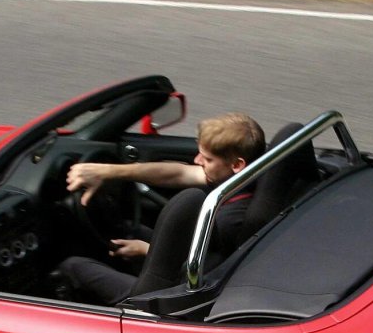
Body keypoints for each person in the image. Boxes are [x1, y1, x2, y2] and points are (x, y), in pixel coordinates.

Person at [58, 112, 265, 305]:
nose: (196, 161)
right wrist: (106, 172)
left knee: (72, 266)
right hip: (190, 263)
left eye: (207, 159)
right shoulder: (238, 182)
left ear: (237, 165)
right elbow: (178, 174)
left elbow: (199, 269)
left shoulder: (230, 220)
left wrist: (144, 249)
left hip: (171, 296)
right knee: (128, 229)